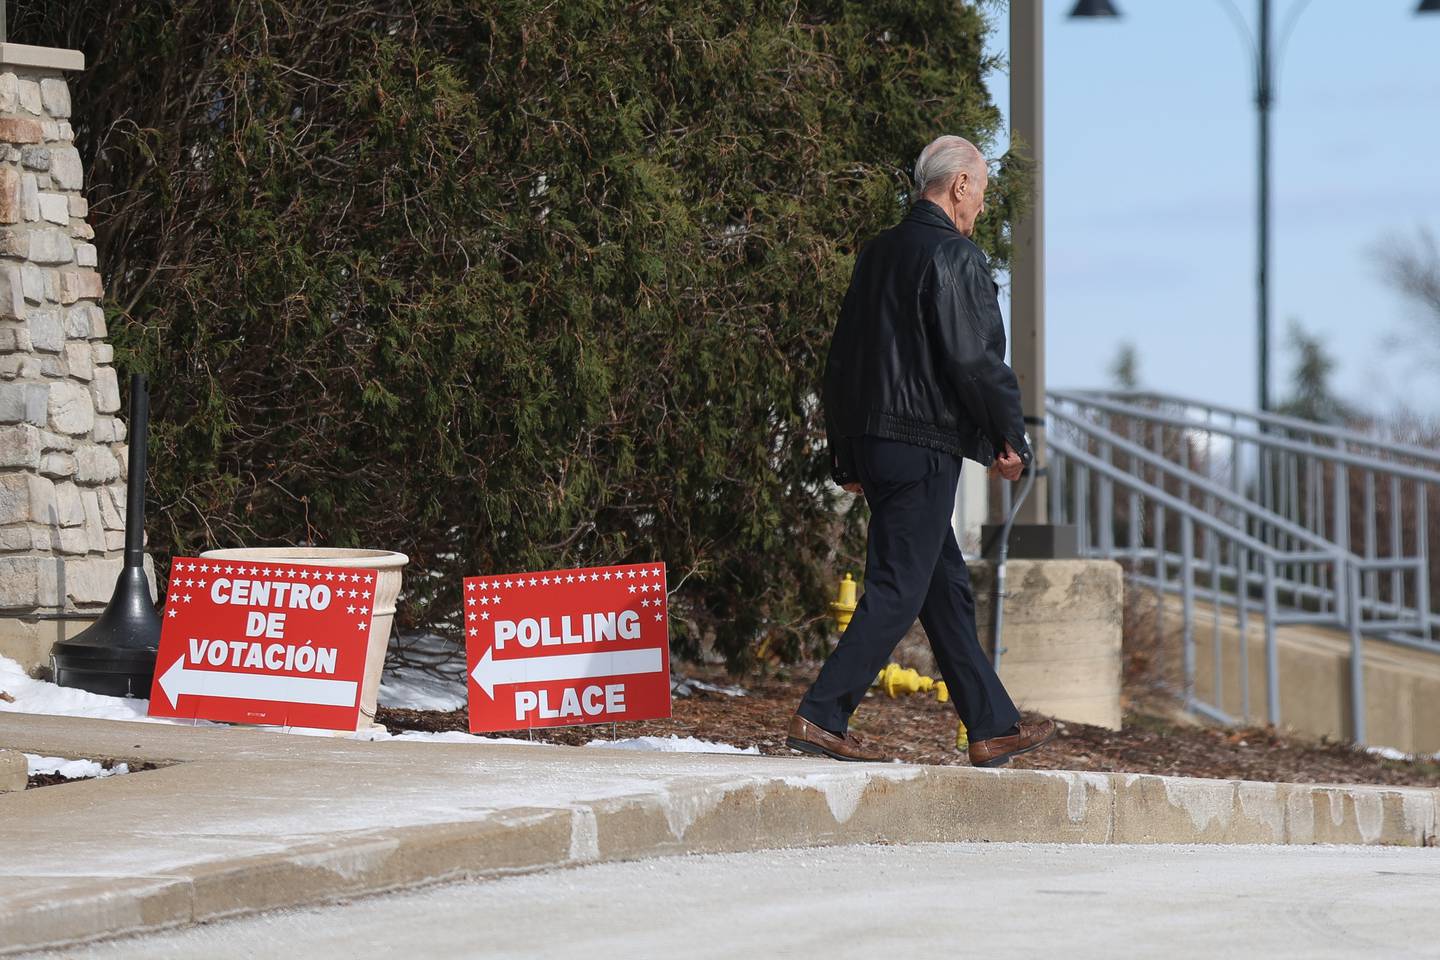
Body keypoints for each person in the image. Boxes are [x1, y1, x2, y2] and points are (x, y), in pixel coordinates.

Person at [786, 135, 1057, 767]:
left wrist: (847, 453)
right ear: (959, 185)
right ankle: (820, 715)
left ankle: (990, 725)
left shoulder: (877, 254)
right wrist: (1008, 437)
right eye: (981, 193)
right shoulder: (954, 256)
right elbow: (975, 360)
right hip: (921, 444)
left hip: (879, 446)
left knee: (943, 589)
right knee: (899, 587)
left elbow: (843, 362)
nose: (981, 208)